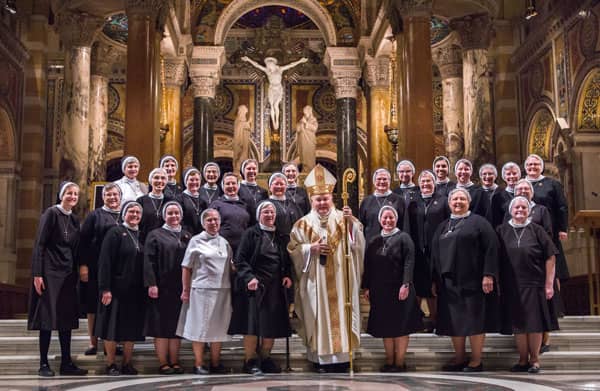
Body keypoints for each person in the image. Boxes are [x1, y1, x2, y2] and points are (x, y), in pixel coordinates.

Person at [288, 164, 365, 373]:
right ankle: (320, 359)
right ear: (311, 200)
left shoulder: (344, 218)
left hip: (341, 280)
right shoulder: (302, 225)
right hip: (315, 281)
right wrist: (309, 249)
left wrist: (350, 226)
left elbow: (357, 244)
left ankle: (342, 358)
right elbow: (293, 250)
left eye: (325, 199)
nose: (322, 203)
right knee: (317, 315)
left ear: (332, 198)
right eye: (318, 199)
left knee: (342, 313)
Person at [431, 188, 499, 372]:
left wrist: (488, 274)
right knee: (455, 321)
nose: (458, 201)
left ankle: (476, 360)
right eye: (454, 199)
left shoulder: (479, 222)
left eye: (462, 198)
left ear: (468, 202)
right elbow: (435, 254)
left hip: (473, 281)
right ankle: (460, 358)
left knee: (474, 321)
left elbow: (491, 248)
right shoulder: (443, 225)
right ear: (449, 203)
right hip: (449, 283)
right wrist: (434, 280)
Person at [28, 181, 88, 377]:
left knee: (66, 319)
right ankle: (43, 364)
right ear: (61, 195)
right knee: (47, 318)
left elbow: (77, 249)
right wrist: (37, 274)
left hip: (68, 275)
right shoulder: (51, 214)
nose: (72, 196)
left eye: (75, 194)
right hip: (49, 273)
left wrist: (81, 268)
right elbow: (40, 244)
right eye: (69, 193)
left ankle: (66, 362)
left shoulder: (74, 220)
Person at [229, 202, 293, 375]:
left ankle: (265, 357)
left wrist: (287, 275)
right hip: (255, 287)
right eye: (266, 211)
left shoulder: (281, 236)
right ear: (259, 215)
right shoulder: (251, 234)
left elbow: (286, 261)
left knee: (270, 325)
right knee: (252, 325)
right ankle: (250, 359)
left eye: (272, 212)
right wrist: (249, 277)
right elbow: (240, 260)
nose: (270, 214)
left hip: (275, 288)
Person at [497, 196, 558, 373]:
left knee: (534, 324)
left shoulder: (537, 229)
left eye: (524, 207)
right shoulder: (501, 230)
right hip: (511, 285)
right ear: (510, 210)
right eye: (516, 208)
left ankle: (535, 360)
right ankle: (522, 359)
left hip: (534, 283)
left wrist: (549, 284)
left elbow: (551, 256)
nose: (520, 210)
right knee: (518, 325)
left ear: (529, 210)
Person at [362, 206, 423, 372]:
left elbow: (409, 262)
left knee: (401, 326)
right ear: (380, 219)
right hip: (380, 290)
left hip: (400, 289)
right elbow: (368, 265)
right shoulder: (374, 240)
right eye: (385, 218)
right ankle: (389, 360)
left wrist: (406, 284)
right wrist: (366, 286)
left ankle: (400, 361)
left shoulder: (404, 238)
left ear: (396, 219)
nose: (388, 221)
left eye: (391, 218)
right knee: (386, 326)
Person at [176, 208, 233, 375]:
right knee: (199, 328)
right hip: (201, 290)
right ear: (203, 223)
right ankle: (199, 363)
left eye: (216, 220)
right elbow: (186, 267)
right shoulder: (196, 241)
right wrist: (185, 290)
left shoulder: (224, 242)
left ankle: (216, 363)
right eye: (209, 220)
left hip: (222, 290)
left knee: (219, 328)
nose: (213, 223)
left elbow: (230, 265)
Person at [95, 201, 146, 376]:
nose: (134, 215)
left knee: (130, 329)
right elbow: (105, 262)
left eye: (137, 212)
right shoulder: (114, 233)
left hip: (135, 291)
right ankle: (111, 364)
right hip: (115, 290)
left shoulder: (142, 235)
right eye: (131, 211)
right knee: (112, 329)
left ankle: (126, 363)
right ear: (124, 214)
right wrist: (105, 288)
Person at [144, 201, 192, 375]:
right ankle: (163, 362)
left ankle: (174, 360)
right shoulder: (155, 234)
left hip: (180, 289)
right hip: (161, 288)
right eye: (170, 213)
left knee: (176, 328)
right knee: (161, 327)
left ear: (181, 215)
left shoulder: (187, 235)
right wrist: (152, 283)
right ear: (164, 215)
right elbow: (148, 261)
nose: (174, 216)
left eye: (176, 213)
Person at [78, 182, 122, 356]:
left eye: (115, 195)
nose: (112, 198)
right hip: (95, 267)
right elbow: (83, 242)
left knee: (114, 306)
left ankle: (112, 342)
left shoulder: (125, 215)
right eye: (108, 195)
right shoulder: (94, 215)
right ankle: (93, 342)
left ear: (120, 197)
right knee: (93, 306)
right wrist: (83, 266)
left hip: (118, 269)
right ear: (103, 197)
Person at [406, 170, 450, 327]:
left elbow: (448, 224)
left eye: (429, 181)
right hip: (417, 251)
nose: (425, 184)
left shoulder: (443, 201)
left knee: (434, 286)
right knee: (418, 285)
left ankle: (435, 319)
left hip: (436, 251)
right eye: (423, 181)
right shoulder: (413, 202)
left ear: (434, 183)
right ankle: (415, 320)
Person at [524, 154, 570, 296]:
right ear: (525, 167)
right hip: (527, 233)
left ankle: (556, 305)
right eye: (530, 165)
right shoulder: (521, 185)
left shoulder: (552, 184)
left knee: (554, 267)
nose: (533, 167)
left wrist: (563, 228)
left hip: (549, 231)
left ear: (542, 167)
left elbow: (562, 206)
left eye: (536, 164)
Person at [241, 56, 308, 130]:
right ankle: (274, 121)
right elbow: (257, 65)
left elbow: (291, 65)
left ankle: (277, 121)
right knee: (272, 106)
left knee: (276, 105)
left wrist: (300, 61)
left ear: (273, 64)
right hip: (271, 89)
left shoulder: (280, 69)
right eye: (268, 67)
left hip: (278, 89)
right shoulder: (267, 71)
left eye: (269, 66)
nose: (269, 68)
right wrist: (248, 59)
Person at [210, 172, 252, 253]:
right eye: (227, 184)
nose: (231, 186)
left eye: (233, 183)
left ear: (238, 185)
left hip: (242, 248)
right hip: (221, 248)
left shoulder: (245, 205)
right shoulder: (216, 204)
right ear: (223, 186)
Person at [359, 168, 405, 242]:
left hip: (394, 243)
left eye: (385, 179)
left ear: (389, 181)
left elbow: (404, 224)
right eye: (379, 179)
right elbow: (361, 225)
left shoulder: (399, 200)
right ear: (374, 182)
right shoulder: (366, 201)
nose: (382, 181)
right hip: (371, 244)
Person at [264, 172, 304, 243]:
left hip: (294, 243)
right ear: (270, 187)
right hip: (274, 243)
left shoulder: (293, 204)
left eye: (282, 184)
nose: (279, 187)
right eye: (276, 184)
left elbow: (301, 224)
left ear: (286, 187)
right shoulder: (265, 205)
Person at [137, 168, 170, 244]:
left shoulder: (170, 201)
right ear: (150, 181)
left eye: (163, 178)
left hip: (165, 242)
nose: (159, 181)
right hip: (144, 241)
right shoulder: (141, 201)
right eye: (156, 178)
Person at [178, 167, 208, 235]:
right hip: (185, 235)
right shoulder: (180, 199)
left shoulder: (203, 201)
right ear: (186, 181)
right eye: (191, 180)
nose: (194, 182)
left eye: (197, 180)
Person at [490, 162, 521, 228]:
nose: (512, 176)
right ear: (504, 177)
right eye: (508, 174)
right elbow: (496, 221)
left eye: (514, 173)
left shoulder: (525, 192)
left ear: (519, 175)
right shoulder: (497, 197)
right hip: (506, 232)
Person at [295, 105, 318, 172]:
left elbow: (314, 128)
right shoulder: (302, 120)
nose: (305, 114)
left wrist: (306, 123)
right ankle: (305, 170)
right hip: (303, 142)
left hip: (310, 142)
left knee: (310, 157)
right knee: (304, 157)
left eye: (306, 112)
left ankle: (309, 171)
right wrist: (301, 124)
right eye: (304, 113)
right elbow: (298, 129)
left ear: (310, 112)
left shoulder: (313, 120)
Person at [232, 105, 253, 175]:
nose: (245, 114)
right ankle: (238, 167)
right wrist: (249, 122)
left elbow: (246, 127)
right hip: (240, 141)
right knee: (242, 154)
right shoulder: (239, 120)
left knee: (245, 154)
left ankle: (242, 167)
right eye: (244, 112)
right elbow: (241, 127)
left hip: (245, 140)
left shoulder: (242, 120)